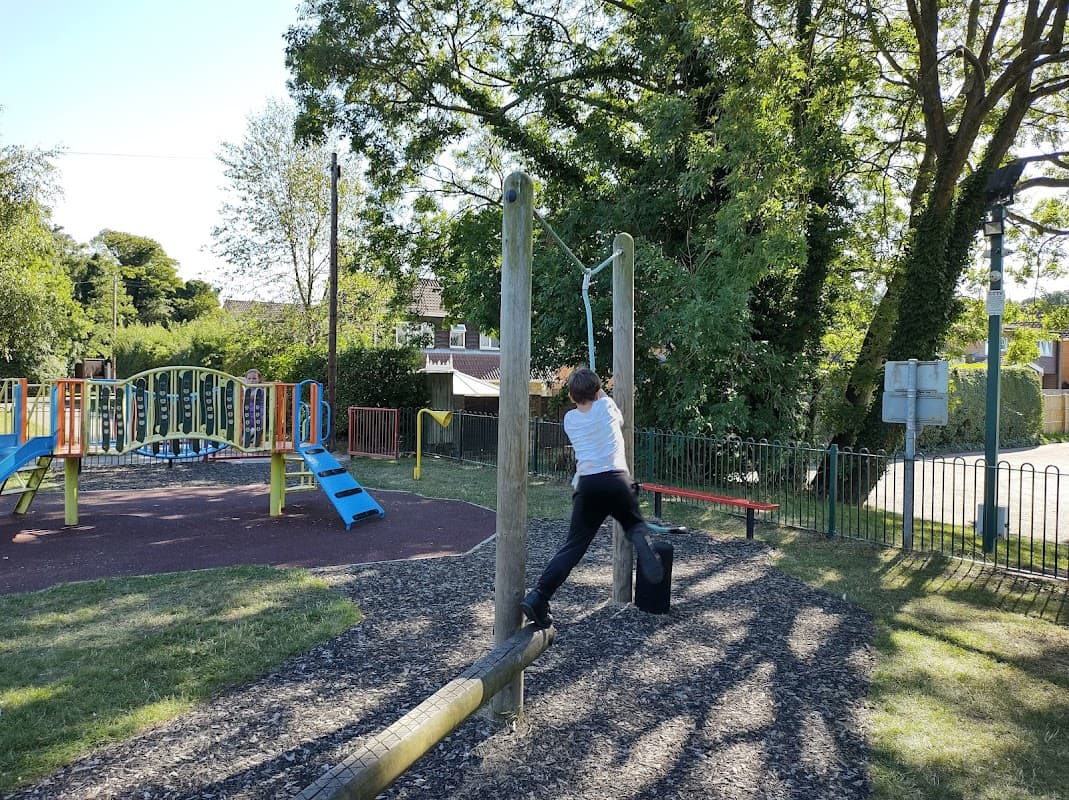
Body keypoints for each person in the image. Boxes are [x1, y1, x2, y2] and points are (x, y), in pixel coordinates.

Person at [522, 367, 663, 629]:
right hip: (616, 480)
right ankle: (639, 534)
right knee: (631, 523)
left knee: (573, 548)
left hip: (587, 485)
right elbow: (617, 418)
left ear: (573, 398)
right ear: (598, 392)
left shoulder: (569, 420)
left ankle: (539, 595)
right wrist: (599, 391)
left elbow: (588, 404)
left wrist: (591, 391)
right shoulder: (607, 407)